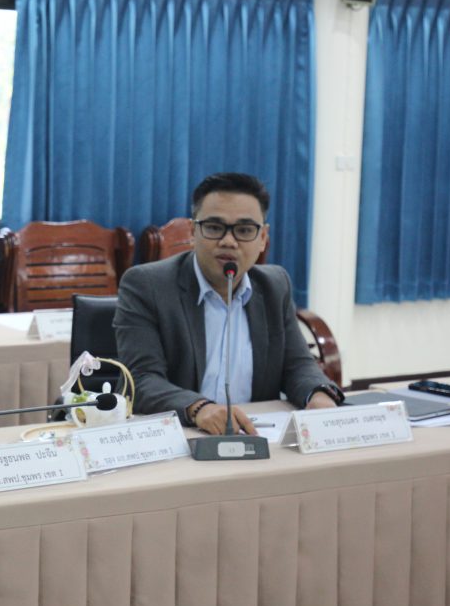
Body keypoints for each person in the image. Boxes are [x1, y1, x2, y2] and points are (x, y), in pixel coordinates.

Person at [114, 172, 343, 436]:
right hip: (181, 433)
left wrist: (318, 395)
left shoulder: (274, 285)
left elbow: (297, 365)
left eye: (244, 230)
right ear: (193, 231)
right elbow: (140, 380)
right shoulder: (147, 285)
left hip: (255, 434)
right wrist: (199, 408)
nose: (228, 241)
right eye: (214, 227)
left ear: (263, 238)